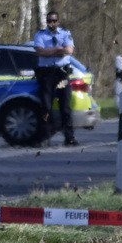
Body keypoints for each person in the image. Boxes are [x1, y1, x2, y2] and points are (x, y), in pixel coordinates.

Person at [31, 11, 78, 146]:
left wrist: (51, 51)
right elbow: (40, 52)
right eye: (49, 21)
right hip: (46, 75)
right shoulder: (40, 34)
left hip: (61, 74)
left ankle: (69, 137)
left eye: (54, 20)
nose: (52, 23)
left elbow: (69, 50)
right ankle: (44, 136)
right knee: (45, 106)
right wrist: (59, 49)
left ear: (58, 21)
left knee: (65, 106)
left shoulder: (65, 33)